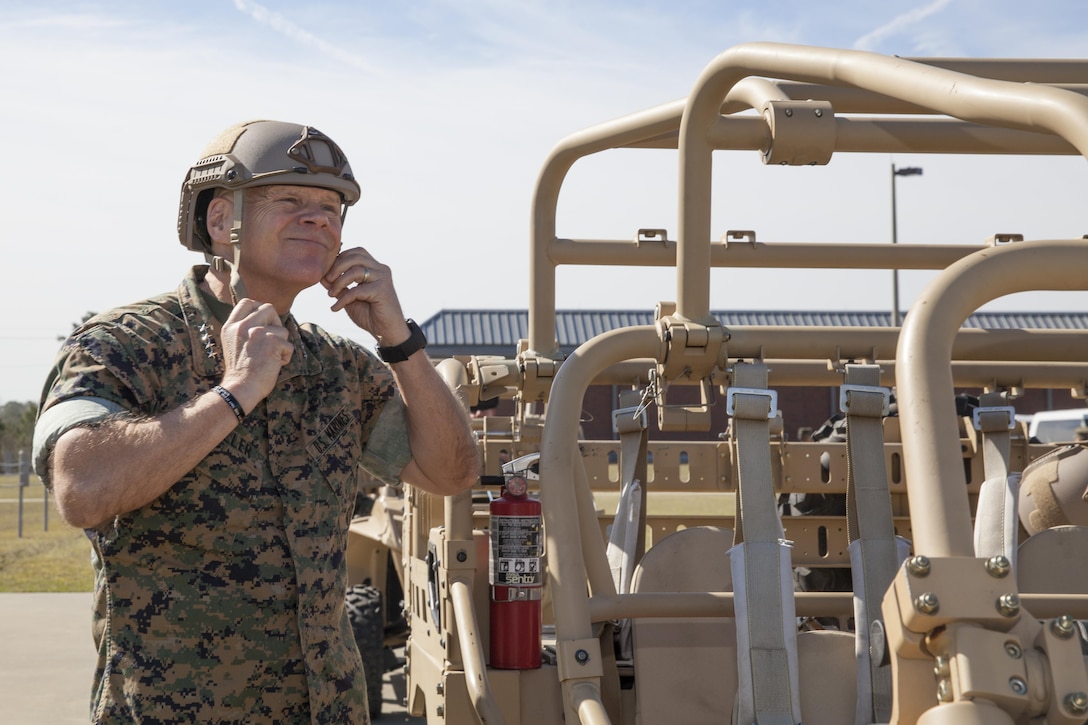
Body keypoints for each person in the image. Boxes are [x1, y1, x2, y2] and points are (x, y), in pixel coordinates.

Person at [32, 120, 479, 723]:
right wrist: (235, 393)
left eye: (331, 208)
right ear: (221, 222)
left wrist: (399, 341)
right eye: (290, 200)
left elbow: (450, 473)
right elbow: (81, 490)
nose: (319, 219)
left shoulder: (338, 365)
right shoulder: (125, 346)